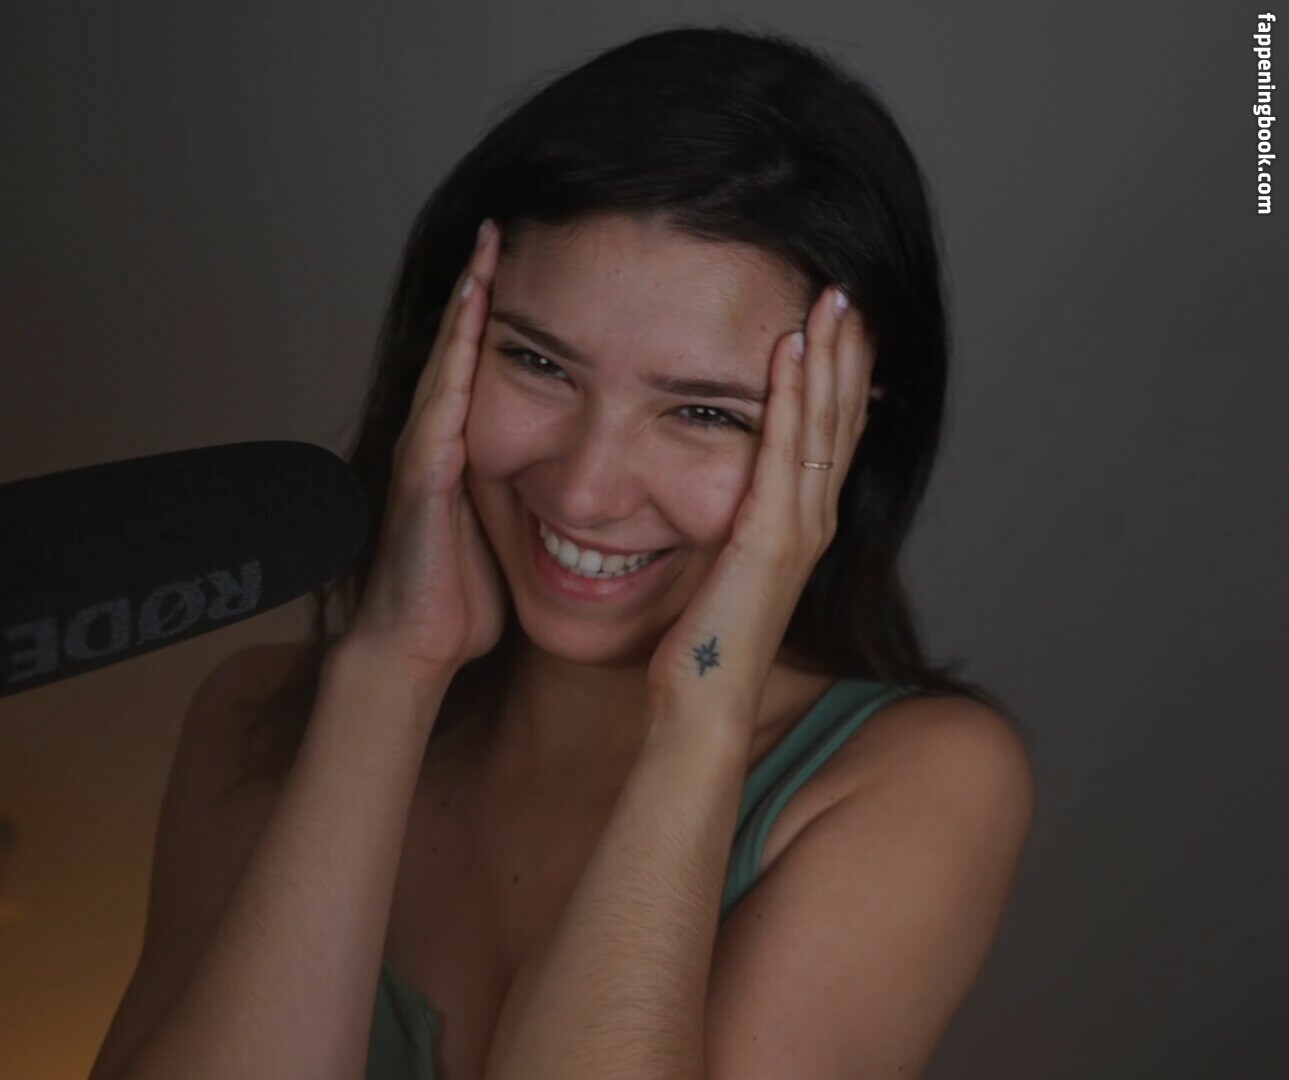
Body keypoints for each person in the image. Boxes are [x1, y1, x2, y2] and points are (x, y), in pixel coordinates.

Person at [89, 24, 1035, 1080]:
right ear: (444, 347)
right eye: (539, 363)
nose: (585, 490)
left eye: (706, 413)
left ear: (841, 435)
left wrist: (699, 719)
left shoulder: (918, 780)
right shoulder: (253, 722)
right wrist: (389, 675)